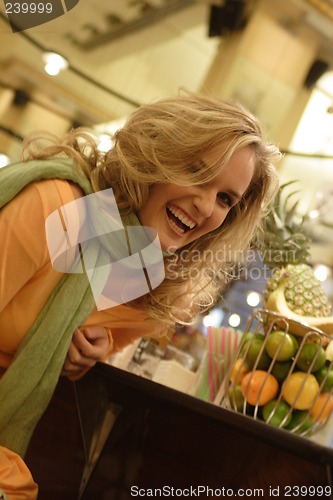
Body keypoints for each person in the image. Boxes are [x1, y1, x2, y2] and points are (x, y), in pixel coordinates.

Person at [0, 89, 280, 458]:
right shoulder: (55, 207)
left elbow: (107, 342)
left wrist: (92, 353)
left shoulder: (157, 285)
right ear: (157, 153)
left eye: (226, 199)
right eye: (198, 171)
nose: (206, 205)